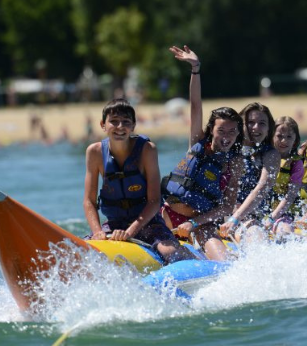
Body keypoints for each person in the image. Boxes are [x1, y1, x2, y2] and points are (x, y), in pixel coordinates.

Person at [83, 98, 192, 264]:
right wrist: (97, 232)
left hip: (149, 223)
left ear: (133, 126)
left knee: (170, 253)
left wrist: (130, 233)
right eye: (113, 121)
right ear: (103, 125)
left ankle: (194, 258)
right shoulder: (95, 152)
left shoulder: (147, 150)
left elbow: (154, 201)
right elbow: (89, 201)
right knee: (81, 253)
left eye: (126, 122)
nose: (120, 127)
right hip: (114, 224)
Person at [162, 45, 245, 261]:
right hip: (166, 214)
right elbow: (196, 106)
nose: (226, 136)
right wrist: (195, 69)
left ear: (238, 134)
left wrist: (194, 223)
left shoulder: (234, 163)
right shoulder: (198, 142)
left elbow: (227, 206)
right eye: (221, 131)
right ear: (211, 130)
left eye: (232, 131)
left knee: (221, 256)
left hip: (201, 222)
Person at [218, 102, 280, 243]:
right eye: (250, 122)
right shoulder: (227, 150)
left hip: (252, 217)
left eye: (262, 123)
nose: (256, 127)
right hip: (224, 214)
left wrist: (236, 218)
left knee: (254, 233)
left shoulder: (271, 155)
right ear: (241, 125)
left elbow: (262, 187)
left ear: (269, 128)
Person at [265, 116, 304, 238]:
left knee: (284, 232)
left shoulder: (295, 164)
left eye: (289, 137)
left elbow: (290, 195)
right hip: (262, 212)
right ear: (271, 136)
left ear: (295, 141)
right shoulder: (263, 158)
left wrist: (272, 218)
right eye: (279, 136)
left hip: (284, 214)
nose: (284, 141)